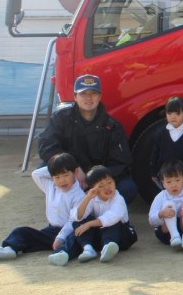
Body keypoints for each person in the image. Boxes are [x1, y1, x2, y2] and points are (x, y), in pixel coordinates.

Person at [38, 74, 137, 205]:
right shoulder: (60, 119)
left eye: (93, 93)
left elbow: (121, 162)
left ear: (100, 96)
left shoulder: (112, 126)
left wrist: (94, 179)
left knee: (128, 188)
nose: (88, 98)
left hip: (98, 181)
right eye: (83, 93)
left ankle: (94, 207)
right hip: (71, 175)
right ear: (75, 97)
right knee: (44, 168)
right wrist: (74, 168)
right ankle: (64, 205)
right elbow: (46, 146)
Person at [0, 153, 85, 263]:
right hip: (51, 231)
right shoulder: (50, 186)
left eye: (65, 175)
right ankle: (9, 249)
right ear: (52, 177)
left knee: (76, 239)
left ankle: (63, 254)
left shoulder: (79, 195)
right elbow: (36, 174)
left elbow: (73, 221)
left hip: (69, 231)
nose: (62, 181)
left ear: (75, 173)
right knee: (21, 232)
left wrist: (60, 237)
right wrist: (54, 167)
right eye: (57, 177)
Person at [67, 165, 138, 264]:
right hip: (101, 236)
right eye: (101, 186)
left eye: (110, 182)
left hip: (122, 236)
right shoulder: (93, 198)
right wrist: (87, 198)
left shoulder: (118, 198)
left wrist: (89, 224)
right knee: (78, 222)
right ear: (93, 189)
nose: (107, 187)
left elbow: (113, 217)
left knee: (111, 223)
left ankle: (107, 247)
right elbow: (77, 216)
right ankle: (88, 248)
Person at [149, 96, 183, 190]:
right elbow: (155, 153)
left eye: (177, 113)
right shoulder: (161, 133)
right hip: (166, 172)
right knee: (167, 195)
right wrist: (153, 171)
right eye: (169, 113)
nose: (173, 117)